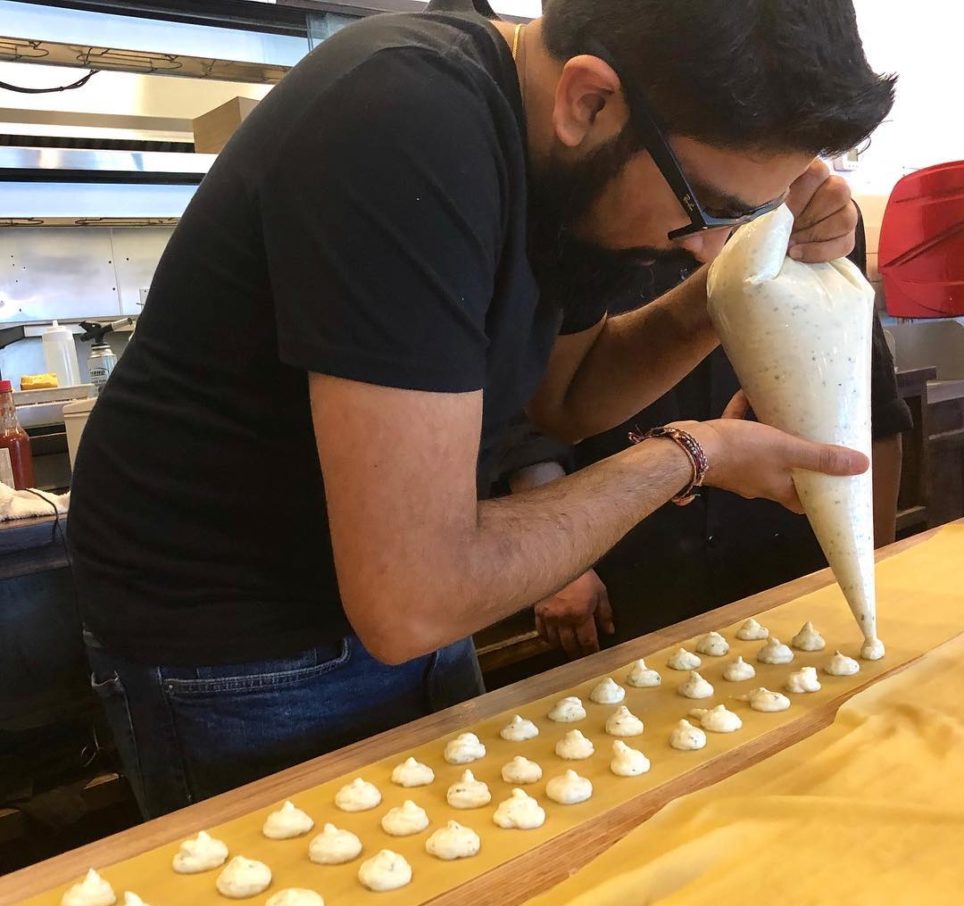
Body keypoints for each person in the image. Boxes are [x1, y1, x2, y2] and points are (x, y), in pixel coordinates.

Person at [67, 0, 895, 817]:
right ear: (590, 100)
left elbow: (570, 397)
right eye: (707, 207)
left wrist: (735, 287)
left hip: (399, 606)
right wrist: (692, 454)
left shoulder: (563, 165)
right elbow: (412, 594)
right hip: (240, 643)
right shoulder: (406, 122)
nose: (706, 243)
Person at [499, 210, 912, 658]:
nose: (704, 248)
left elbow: (875, 410)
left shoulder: (814, 225)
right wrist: (558, 564)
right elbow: (532, 415)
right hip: (634, 561)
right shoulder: (591, 217)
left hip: (789, 551)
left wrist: (877, 564)